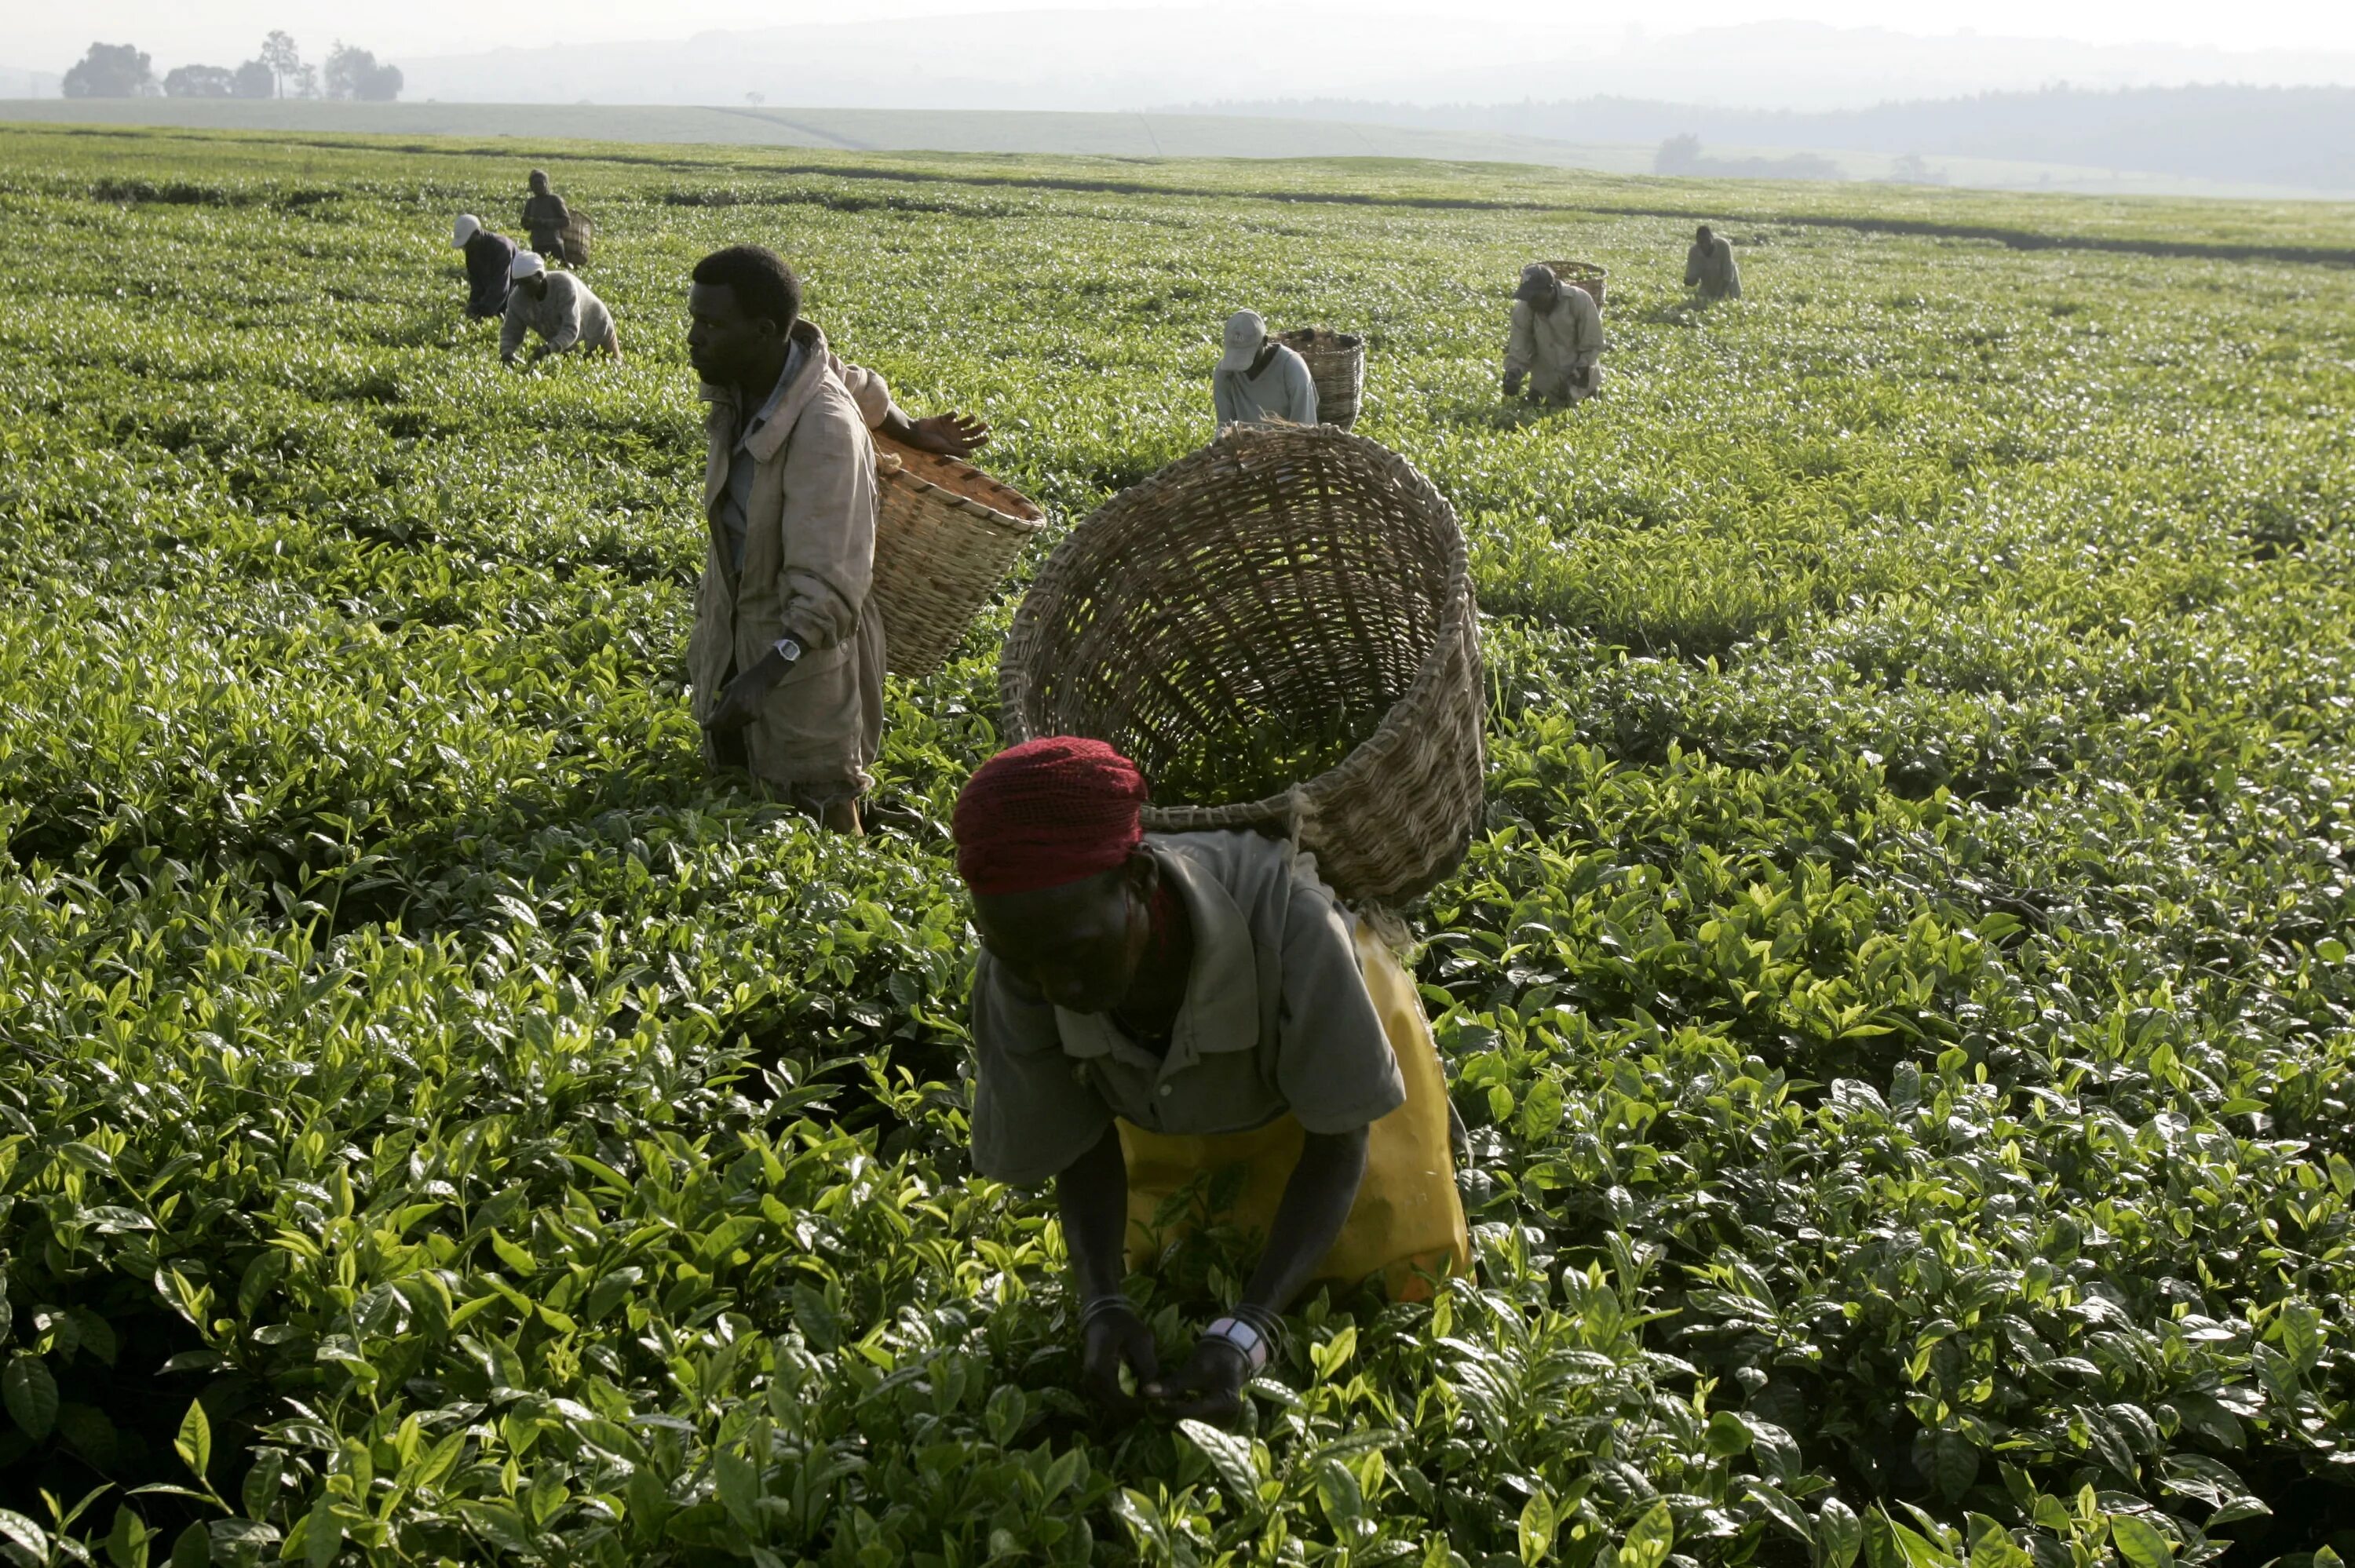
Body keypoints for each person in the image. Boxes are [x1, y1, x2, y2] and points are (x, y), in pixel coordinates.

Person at [955, 737, 1470, 1425]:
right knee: (1186, 1259)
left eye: (1076, 956)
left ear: (1139, 881)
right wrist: (1102, 1304)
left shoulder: (1292, 924)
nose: (1058, 988)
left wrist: (1248, 1330)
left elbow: (1341, 1141)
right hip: (1184, 1096)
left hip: (1344, 1041)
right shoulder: (1026, 960)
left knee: (1381, 1289)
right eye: (1024, 964)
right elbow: (1079, 1144)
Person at [686, 245, 889, 834]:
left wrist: (765, 674)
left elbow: (830, 588)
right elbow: (849, 374)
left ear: (764, 331)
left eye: (711, 324)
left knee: (819, 823)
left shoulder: (824, 429)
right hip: (734, 645)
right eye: (694, 319)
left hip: (799, 672)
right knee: (737, 826)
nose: (694, 338)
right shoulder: (746, 384)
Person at [1502, 264, 1606, 405]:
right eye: (1528, 297)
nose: (1531, 302)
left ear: (1550, 290)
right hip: (1543, 387)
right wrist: (1513, 375)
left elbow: (1592, 346)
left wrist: (1573, 381)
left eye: (1535, 297)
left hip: (1581, 388)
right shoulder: (1525, 308)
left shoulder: (1579, 300)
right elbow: (1519, 348)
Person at [500, 251, 621, 366]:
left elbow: (571, 328)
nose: (523, 288)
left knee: (614, 368)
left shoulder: (564, 286)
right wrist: (507, 352)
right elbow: (511, 331)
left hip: (599, 329)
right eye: (519, 283)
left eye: (527, 282)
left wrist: (549, 349)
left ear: (540, 275)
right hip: (569, 343)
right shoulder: (517, 299)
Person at [1212, 309, 1317, 428]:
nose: (1242, 366)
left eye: (1249, 354)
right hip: (1246, 445)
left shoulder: (1292, 368)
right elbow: (1224, 429)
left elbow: (1304, 429)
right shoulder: (1225, 373)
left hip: (1289, 443)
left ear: (1264, 341)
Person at [451, 213, 517, 321]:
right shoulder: (472, 250)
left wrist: (481, 310)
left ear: (478, 233)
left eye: (468, 243)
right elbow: (475, 281)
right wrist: (473, 304)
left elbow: (501, 286)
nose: (465, 248)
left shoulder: (502, 247)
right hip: (495, 295)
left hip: (514, 295)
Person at [1685, 224, 1742, 301]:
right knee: (1704, 300)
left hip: (1728, 282)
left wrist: (1720, 295)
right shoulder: (1694, 252)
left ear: (1712, 238)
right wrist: (1689, 281)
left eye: (1708, 241)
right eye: (1701, 242)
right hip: (1709, 282)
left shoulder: (1723, 246)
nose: (1705, 245)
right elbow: (1692, 278)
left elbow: (1728, 275)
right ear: (1697, 242)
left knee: (1733, 299)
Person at [522, 170, 570, 259]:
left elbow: (566, 221)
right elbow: (526, 226)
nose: (538, 186)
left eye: (540, 182)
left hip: (554, 243)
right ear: (531, 186)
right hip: (537, 244)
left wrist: (544, 222)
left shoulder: (554, 199)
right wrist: (526, 222)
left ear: (546, 184)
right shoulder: (531, 202)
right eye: (535, 183)